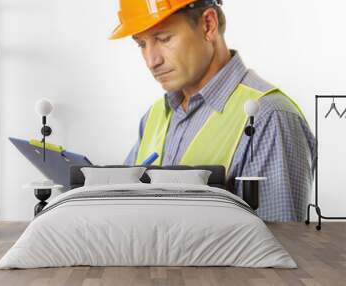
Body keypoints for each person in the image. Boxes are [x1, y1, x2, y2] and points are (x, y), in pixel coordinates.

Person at [110, 0, 316, 222]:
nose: (152, 61)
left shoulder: (269, 118)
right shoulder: (154, 116)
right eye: (141, 44)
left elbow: (276, 247)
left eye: (164, 39)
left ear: (208, 25)